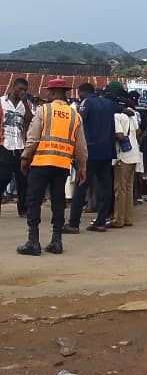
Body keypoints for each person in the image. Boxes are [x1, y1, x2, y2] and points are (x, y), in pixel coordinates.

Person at [17, 79, 87, 255]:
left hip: (41, 163)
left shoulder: (44, 110)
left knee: (34, 200)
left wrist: (25, 158)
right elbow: (81, 147)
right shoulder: (75, 116)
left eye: (49, 91)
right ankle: (56, 241)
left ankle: (33, 241)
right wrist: (82, 167)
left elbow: (33, 138)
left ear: (55, 92)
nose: (47, 94)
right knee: (58, 201)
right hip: (62, 165)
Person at [63, 82, 119, 233]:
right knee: (105, 188)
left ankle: (74, 224)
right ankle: (100, 222)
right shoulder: (108, 103)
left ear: (82, 93)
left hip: (90, 151)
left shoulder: (87, 103)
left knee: (81, 187)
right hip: (107, 151)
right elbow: (123, 110)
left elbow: (79, 122)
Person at [0, 77, 32, 217]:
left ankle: (23, 209)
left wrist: (25, 103)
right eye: (20, 89)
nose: (22, 92)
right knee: (3, 177)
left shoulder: (26, 105)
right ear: (13, 88)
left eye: (25, 90)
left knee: (23, 180)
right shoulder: (2, 101)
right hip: (4, 145)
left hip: (20, 146)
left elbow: (30, 120)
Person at [112, 96, 140, 228]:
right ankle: (128, 218)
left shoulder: (117, 116)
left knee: (120, 188)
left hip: (123, 155)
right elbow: (138, 131)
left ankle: (119, 219)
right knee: (129, 188)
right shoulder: (132, 116)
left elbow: (119, 134)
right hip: (134, 154)